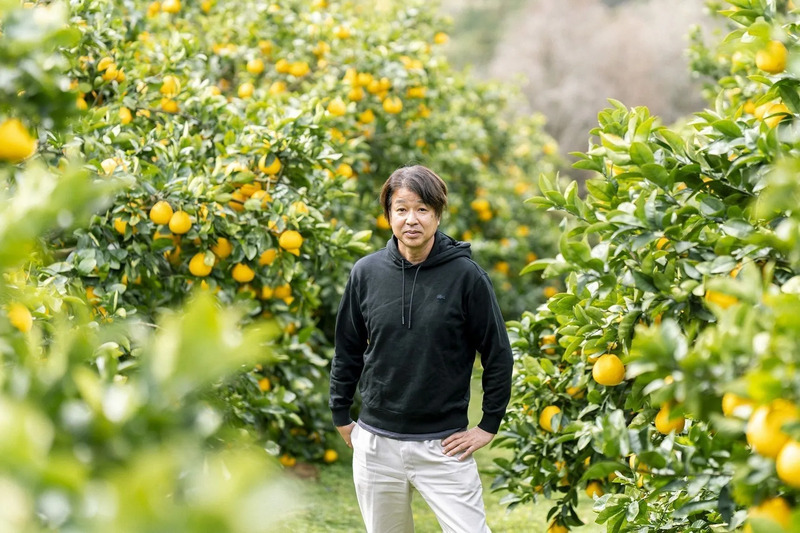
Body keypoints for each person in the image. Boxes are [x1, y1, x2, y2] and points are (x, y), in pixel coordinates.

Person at [329, 164, 513, 533]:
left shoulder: (466, 277)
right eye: (401, 209)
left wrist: (488, 425)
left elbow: (497, 353)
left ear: (437, 214)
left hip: (444, 446)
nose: (411, 219)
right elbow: (347, 348)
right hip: (376, 443)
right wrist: (341, 414)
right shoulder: (366, 273)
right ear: (389, 216)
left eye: (422, 209)